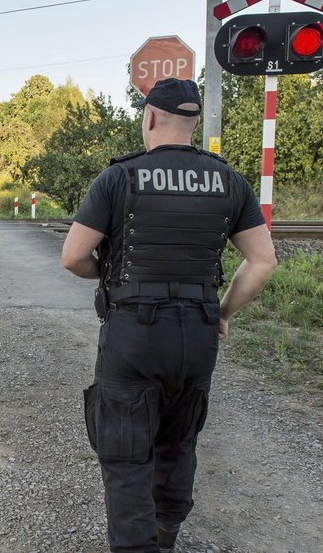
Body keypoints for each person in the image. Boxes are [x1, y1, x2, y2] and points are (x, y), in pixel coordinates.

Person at [61, 78, 276, 552]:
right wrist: (222, 312)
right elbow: (263, 261)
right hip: (197, 336)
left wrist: (110, 275)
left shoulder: (119, 177)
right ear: (195, 122)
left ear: (150, 117)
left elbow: (73, 257)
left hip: (134, 334)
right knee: (178, 443)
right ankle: (166, 537)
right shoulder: (228, 179)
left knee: (126, 456)